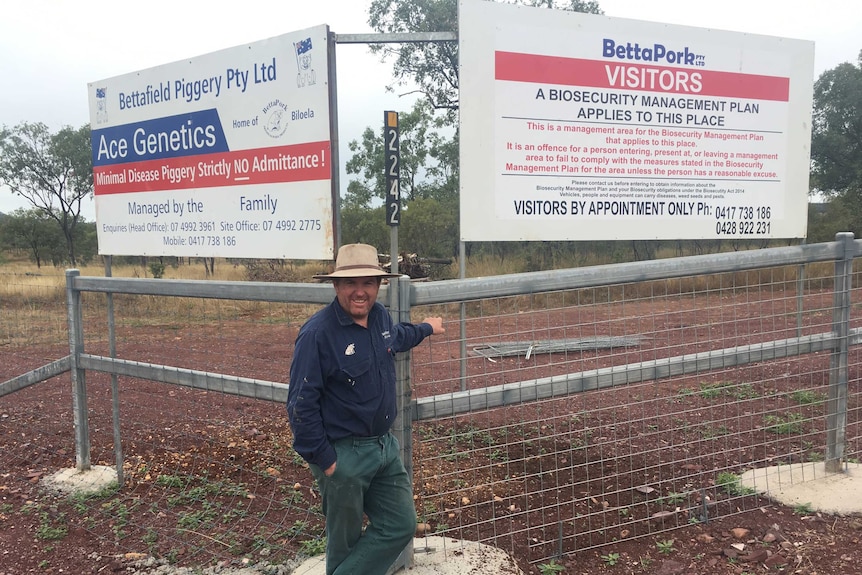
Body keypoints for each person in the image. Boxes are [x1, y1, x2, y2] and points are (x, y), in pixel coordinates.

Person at [287, 243, 445, 575]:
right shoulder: (317, 334)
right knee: (344, 542)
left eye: (369, 283)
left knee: (401, 523)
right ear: (336, 286)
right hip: (343, 453)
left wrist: (427, 327)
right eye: (351, 283)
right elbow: (300, 405)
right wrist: (328, 463)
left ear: (379, 285)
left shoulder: (380, 318)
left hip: (383, 447)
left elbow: (398, 337)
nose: (360, 292)